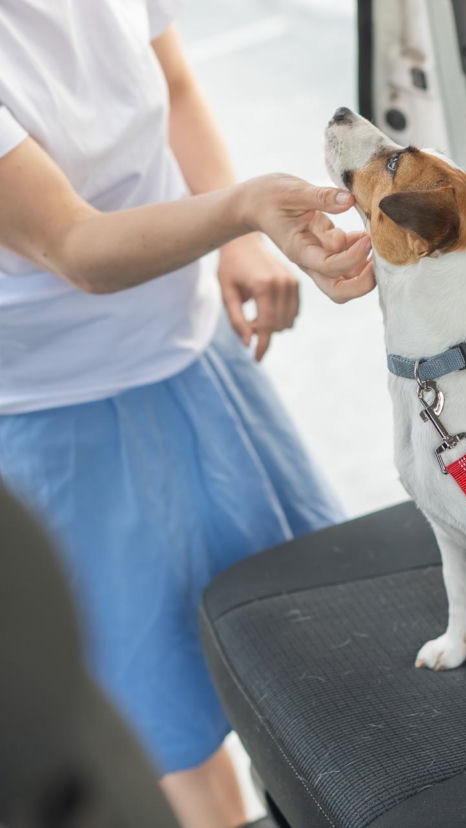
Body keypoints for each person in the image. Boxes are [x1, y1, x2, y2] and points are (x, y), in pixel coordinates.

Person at [0, 2, 375, 826]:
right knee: (170, 734)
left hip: (193, 363)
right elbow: (74, 246)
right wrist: (240, 213)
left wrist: (238, 243)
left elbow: (172, 80)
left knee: (310, 651)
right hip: (62, 420)